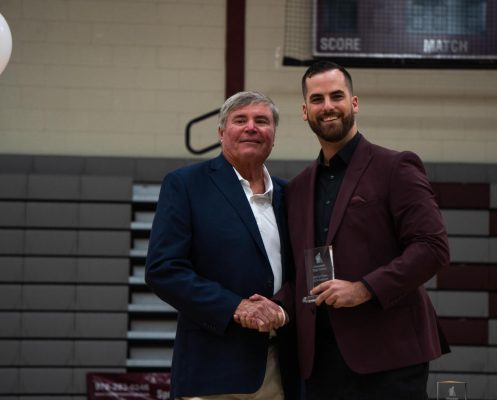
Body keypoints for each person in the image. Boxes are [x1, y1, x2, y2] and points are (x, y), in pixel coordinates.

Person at [276, 61, 450, 400]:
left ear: (354, 103)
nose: (327, 107)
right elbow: (298, 273)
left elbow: (432, 247)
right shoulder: (296, 189)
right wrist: (273, 306)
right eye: (317, 99)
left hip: (389, 357)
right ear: (304, 111)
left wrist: (364, 289)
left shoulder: (396, 167)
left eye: (336, 96)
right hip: (319, 361)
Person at [145, 91, 299, 400]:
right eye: (240, 120)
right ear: (221, 133)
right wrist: (235, 306)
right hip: (213, 367)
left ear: (274, 136)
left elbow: (303, 272)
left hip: (282, 368)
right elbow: (164, 269)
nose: (251, 127)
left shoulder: (291, 194)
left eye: (262, 121)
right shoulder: (186, 185)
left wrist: (282, 308)